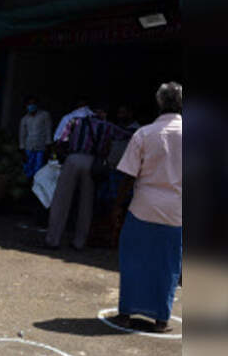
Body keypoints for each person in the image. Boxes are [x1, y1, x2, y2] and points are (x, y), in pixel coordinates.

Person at [112, 82, 183, 333]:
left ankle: (126, 314)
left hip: (143, 206)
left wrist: (118, 206)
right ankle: (161, 319)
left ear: (159, 103)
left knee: (134, 260)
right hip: (177, 211)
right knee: (168, 264)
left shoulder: (144, 133)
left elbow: (129, 175)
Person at [45, 106, 134, 250]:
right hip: (93, 163)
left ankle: (52, 240)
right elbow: (126, 134)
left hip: (72, 159)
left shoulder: (75, 122)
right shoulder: (107, 126)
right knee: (86, 204)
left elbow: (61, 141)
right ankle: (79, 242)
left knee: (61, 201)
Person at [19, 96, 52, 178]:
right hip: (28, 147)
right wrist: (22, 147)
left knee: (39, 169)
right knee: (28, 168)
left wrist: (48, 144)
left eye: (33, 103)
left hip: (41, 146)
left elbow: (48, 130)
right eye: (29, 104)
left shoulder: (44, 115)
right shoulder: (25, 119)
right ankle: (28, 185)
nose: (31, 105)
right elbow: (22, 134)